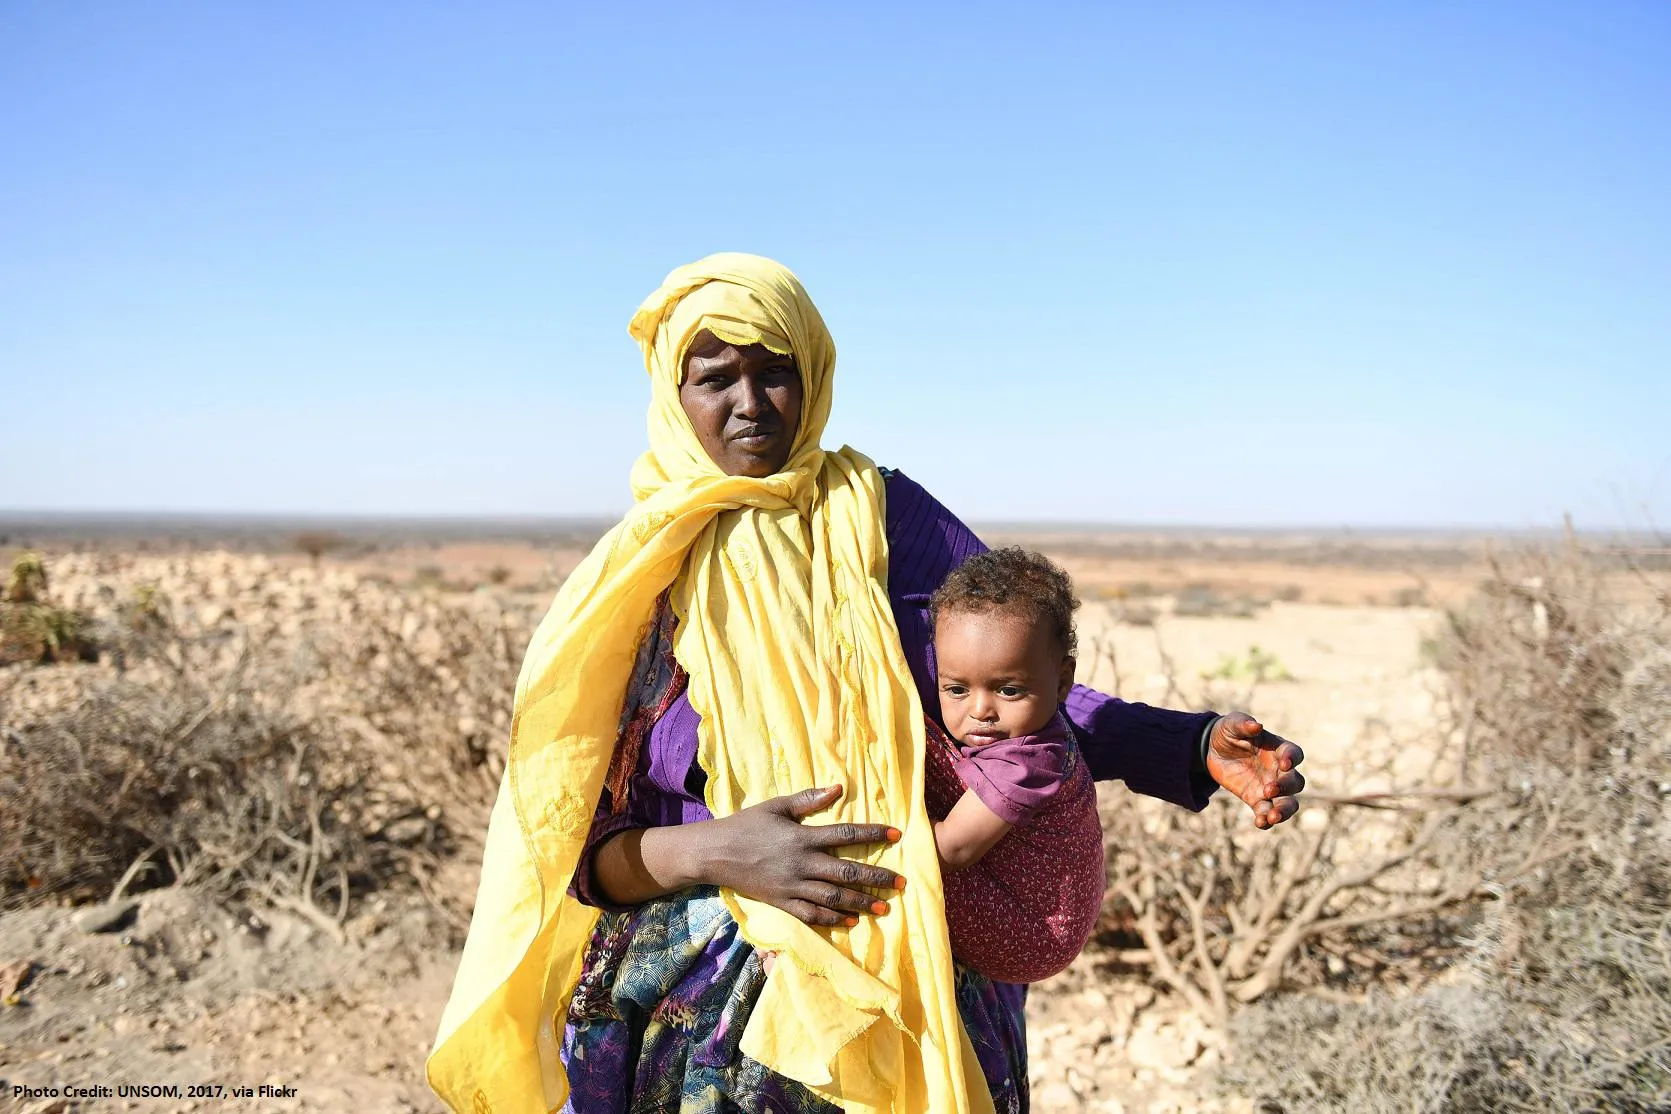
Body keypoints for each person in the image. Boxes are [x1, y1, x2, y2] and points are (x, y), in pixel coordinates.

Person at [427, 253, 1306, 1114]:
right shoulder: (632, 580)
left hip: (911, 970)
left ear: (814, 371)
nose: (747, 404)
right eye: (713, 378)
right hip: (694, 1002)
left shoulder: (883, 517)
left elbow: (1002, 690)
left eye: (775, 372)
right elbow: (583, 854)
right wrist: (716, 851)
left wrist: (1184, 745)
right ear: (671, 391)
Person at [925, 546, 1106, 985]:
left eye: (1007, 691)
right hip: (1027, 915)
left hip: (1030, 935)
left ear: (1062, 681)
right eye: (955, 689)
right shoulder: (1027, 726)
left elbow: (951, 850)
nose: (980, 710)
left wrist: (863, 817)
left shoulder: (1028, 759)